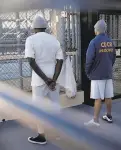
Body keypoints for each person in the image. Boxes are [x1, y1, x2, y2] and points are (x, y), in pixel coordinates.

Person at [24, 15, 64, 144]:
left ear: (34, 28)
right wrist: (53, 80)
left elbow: (31, 61)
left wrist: (46, 80)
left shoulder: (30, 40)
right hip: (53, 77)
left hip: (39, 79)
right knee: (55, 106)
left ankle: (41, 136)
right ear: (45, 27)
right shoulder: (54, 40)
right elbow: (60, 60)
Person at [84, 19, 116, 127]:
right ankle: (109, 115)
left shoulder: (93, 42)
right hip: (108, 73)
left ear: (96, 30)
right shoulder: (110, 41)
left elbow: (89, 59)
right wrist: (108, 67)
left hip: (97, 75)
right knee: (108, 96)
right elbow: (113, 57)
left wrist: (88, 71)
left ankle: (95, 120)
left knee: (97, 98)